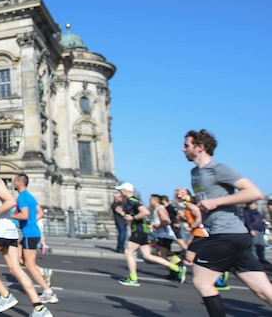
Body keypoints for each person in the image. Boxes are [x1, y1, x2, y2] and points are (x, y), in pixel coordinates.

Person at [182, 129, 272, 316]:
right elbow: (205, 200)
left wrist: (215, 202)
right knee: (262, 290)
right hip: (234, 236)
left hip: (226, 234)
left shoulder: (218, 169)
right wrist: (190, 203)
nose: (183, 150)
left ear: (200, 147)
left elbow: (254, 192)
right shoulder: (195, 173)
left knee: (202, 282)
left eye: (186, 146)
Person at [0, 156, 52, 317]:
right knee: (15, 268)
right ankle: (39, 308)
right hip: (9, 231)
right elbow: (4, 202)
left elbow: (10, 202)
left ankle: (5, 296)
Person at [113, 182, 185, 287]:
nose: (119, 192)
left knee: (128, 252)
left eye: (120, 190)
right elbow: (134, 215)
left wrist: (133, 218)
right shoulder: (132, 201)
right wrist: (123, 214)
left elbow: (145, 212)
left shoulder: (132, 201)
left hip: (139, 230)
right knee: (147, 256)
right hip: (143, 230)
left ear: (125, 190)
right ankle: (177, 268)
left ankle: (133, 278)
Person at [12, 173, 58, 304]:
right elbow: (41, 213)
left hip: (29, 234)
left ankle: (49, 292)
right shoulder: (30, 196)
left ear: (20, 182)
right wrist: (32, 221)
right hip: (32, 232)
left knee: (29, 265)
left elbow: (24, 215)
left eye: (15, 181)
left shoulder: (22, 197)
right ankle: (43, 272)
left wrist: (11, 217)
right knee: (18, 259)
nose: (13, 183)